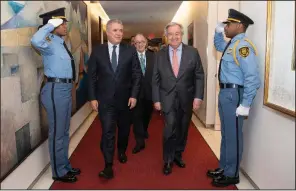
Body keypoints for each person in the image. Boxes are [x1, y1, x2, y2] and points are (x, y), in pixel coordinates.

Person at [207, 9, 260, 187]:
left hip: (234, 94)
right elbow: (219, 45)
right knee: (226, 134)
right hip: (225, 93)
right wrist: (217, 33)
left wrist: (245, 104)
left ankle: (232, 174)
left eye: (228, 24)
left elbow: (252, 77)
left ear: (239, 26)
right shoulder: (232, 44)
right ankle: (224, 167)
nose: (226, 27)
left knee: (234, 135)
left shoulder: (243, 46)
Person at [87, 19, 142, 179]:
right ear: (107, 32)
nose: (119, 33)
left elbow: (137, 74)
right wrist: (92, 97)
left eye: (121, 30)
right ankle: (108, 165)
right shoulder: (98, 51)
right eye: (115, 30)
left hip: (125, 101)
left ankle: (122, 150)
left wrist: (133, 95)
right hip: (105, 100)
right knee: (108, 132)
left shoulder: (130, 51)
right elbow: (91, 77)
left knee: (124, 130)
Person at [31, 8, 80, 183]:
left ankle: (64, 165)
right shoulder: (47, 39)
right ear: (52, 25)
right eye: (62, 23)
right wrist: (49, 26)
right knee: (58, 132)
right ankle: (58, 172)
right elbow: (35, 40)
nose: (66, 26)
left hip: (65, 89)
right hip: (55, 89)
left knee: (65, 131)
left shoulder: (60, 42)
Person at [152, 22, 205, 175]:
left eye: (177, 33)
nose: (174, 37)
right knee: (170, 129)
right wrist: (156, 99)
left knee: (183, 129)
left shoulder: (193, 52)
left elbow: (199, 76)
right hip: (166, 98)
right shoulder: (159, 54)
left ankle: (177, 154)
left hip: (186, 98)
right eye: (170, 34)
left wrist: (198, 97)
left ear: (181, 35)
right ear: (166, 36)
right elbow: (155, 79)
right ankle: (168, 159)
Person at [131, 33, 155, 154]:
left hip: (150, 93)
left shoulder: (153, 56)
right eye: (137, 42)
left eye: (142, 42)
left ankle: (144, 129)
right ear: (134, 44)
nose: (140, 44)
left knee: (147, 115)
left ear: (146, 43)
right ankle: (139, 142)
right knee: (136, 117)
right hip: (135, 94)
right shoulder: (130, 57)